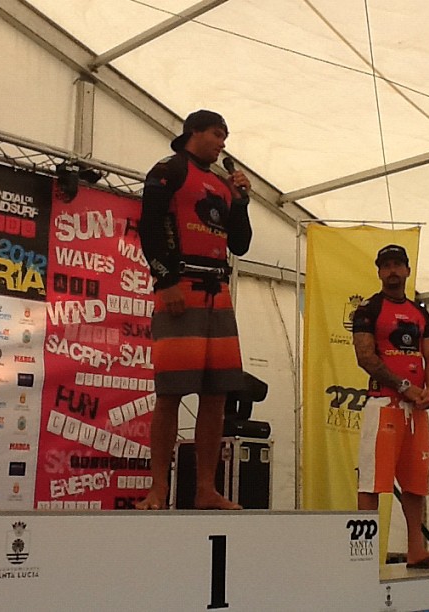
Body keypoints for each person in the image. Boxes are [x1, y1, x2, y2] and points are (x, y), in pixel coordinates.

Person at [137, 109, 252, 510]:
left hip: (218, 289)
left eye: (225, 136)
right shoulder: (169, 170)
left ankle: (206, 488)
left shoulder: (221, 185)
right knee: (171, 392)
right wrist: (165, 280)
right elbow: (149, 225)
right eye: (218, 134)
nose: (222, 143)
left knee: (217, 394)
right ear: (194, 132)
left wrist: (242, 201)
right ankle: (158, 488)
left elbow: (240, 244)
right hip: (181, 284)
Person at [352, 244, 429, 570]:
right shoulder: (368, 309)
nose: (392, 271)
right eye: (386, 266)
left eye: (398, 265)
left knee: (415, 482)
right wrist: (405, 387)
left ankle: (416, 550)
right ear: (379, 272)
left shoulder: (420, 312)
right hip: (384, 404)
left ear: (407, 270)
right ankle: (363, 556)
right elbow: (365, 357)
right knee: (372, 481)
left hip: (415, 411)